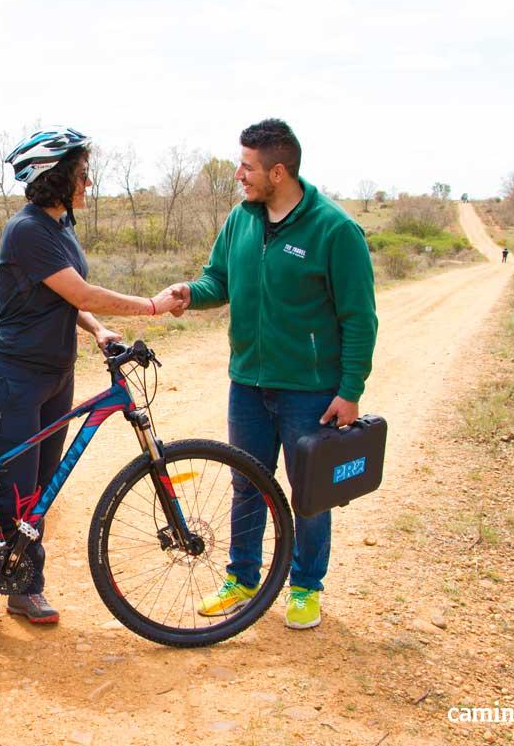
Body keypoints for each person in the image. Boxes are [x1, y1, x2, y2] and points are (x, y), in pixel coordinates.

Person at [0, 126, 186, 624]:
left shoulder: (61, 226)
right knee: (15, 494)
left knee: (39, 494)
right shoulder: (26, 230)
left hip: (53, 377)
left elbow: (70, 298)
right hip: (15, 381)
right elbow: (84, 292)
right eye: (83, 174)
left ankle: (25, 588)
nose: (89, 183)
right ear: (57, 177)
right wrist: (151, 306)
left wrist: (98, 329)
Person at [162, 119, 377, 630]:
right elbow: (220, 279)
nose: (239, 174)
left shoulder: (334, 229)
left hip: (310, 390)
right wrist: (192, 292)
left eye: (248, 167)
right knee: (246, 483)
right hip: (248, 385)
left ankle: (305, 586)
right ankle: (243, 577)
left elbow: (359, 317)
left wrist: (350, 391)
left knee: (309, 493)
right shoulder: (242, 219)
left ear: (278, 171)